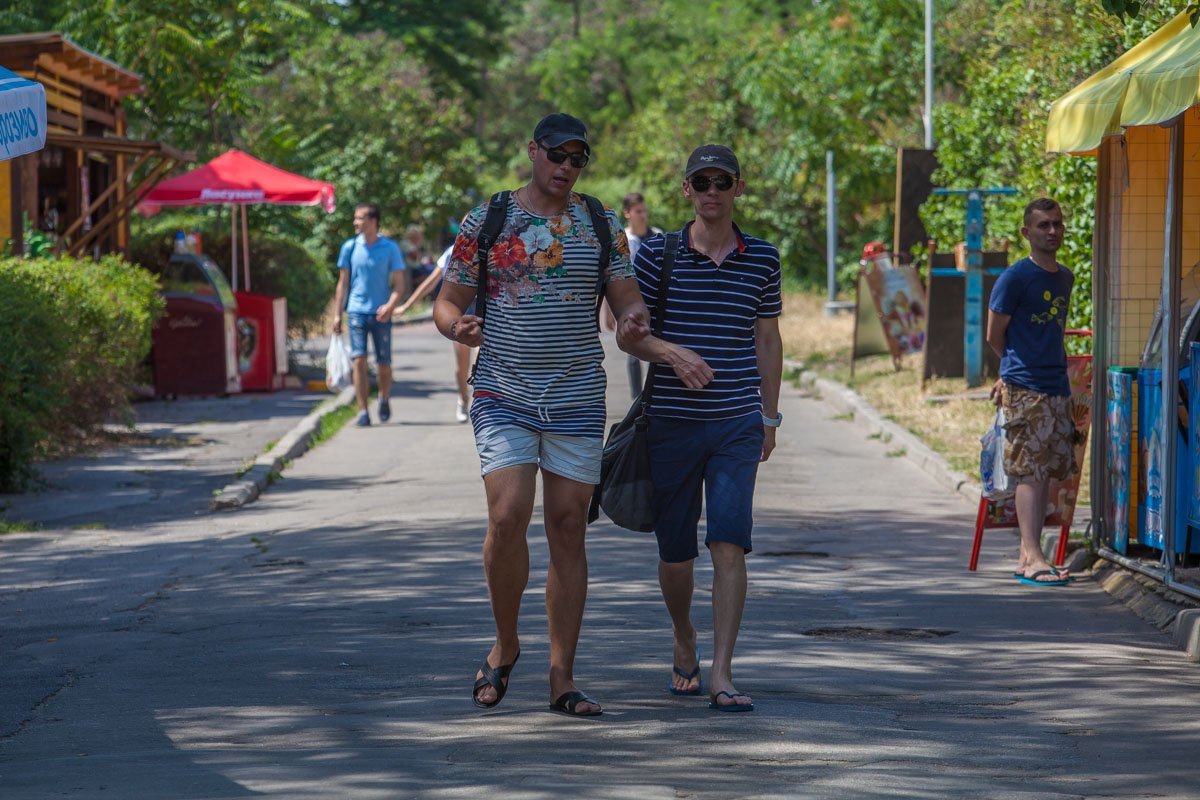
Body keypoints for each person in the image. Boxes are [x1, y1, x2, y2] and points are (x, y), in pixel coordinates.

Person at [434, 112, 668, 717]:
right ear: (533, 151)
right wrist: (456, 326)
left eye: (577, 158)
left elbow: (625, 298)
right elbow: (448, 300)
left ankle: (561, 675)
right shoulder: (488, 220)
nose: (566, 166)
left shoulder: (600, 223)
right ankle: (506, 642)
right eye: (557, 154)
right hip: (504, 390)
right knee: (508, 515)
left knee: (567, 525)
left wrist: (637, 318)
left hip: (577, 396)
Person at [633, 144, 783, 712]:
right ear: (687, 189)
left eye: (723, 181)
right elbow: (630, 333)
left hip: (737, 423)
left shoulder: (763, 257)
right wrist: (672, 354)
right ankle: (684, 635)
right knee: (675, 555)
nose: (712, 190)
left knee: (729, 541)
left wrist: (769, 416)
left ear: (738, 188)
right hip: (671, 422)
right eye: (703, 181)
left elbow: (768, 340)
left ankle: (722, 669)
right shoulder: (657, 254)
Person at [986, 197, 1076, 587]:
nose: (1052, 231)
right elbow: (994, 334)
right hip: (1025, 386)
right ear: (1026, 233)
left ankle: (1030, 555)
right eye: (1043, 225)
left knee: (1046, 474)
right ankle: (1032, 555)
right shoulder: (1015, 277)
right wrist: (1009, 373)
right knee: (1029, 471)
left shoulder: (1065, 277)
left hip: (1057, 384)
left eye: (1056, 224)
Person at [331, 203, 408, 427]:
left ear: (373, 221)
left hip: (381, 314)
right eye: (355, 218)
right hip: (355, 311)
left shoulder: (390, 248)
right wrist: (337, 315)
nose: (356, 222)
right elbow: (343, 283)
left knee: (384, 363)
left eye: (360, 218)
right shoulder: (349, 247)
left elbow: (399, 286)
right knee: (359, 360)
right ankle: (363, 411)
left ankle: (384, 398)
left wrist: (390, 306)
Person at [396, 243, 474, 422]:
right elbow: (430, 282)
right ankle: (463, 399)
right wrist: (407, 306)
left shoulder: (494, 241)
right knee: (462, 365)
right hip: (461, 313)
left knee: (481, 360)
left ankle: (483, 404)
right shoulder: (454, 251)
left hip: (485, 312)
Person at [601, 192, 663, 399]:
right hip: (630, 302)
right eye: (638, 211)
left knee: (657, 348)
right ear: (628, 213)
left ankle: (653, 393)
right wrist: (609, 311)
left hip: (655, 300)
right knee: (633, 349)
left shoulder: (657, 236)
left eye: (644, 211)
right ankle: (637, 398)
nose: (643, 215)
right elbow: (613, 276)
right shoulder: (623, 239)